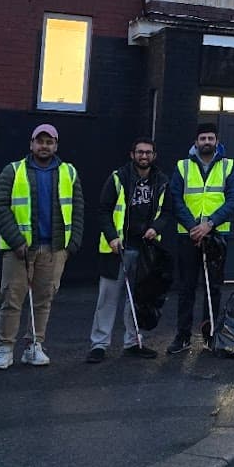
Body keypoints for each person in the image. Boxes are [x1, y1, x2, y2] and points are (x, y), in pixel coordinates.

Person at [0, 124, 84, 370]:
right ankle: (5, 347)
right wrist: (16, 240)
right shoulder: (13, 170)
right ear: (31, 144)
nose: (44, 146)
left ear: (56, 145)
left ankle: (34, 345)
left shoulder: (69, 172)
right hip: (19, 248)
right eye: (39, 141)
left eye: (49, 142)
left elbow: (77, 209)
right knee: (12, 297)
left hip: (54, 248)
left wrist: (71, 244)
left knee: (44, 299)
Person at [87, 138, 172, 363]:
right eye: (140, 152)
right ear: (132, 154)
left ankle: (133, 342)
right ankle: (99, 345)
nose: (144, 156)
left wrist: (156, 228)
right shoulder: (118, 178)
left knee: (138, 298)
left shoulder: (162, 181)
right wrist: (112, 237)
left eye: (148, 153)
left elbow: (166, 213)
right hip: (118, 248)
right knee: (107, 298)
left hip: (146, 250)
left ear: (154, 156)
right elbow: (104, 210)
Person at [166, 123, 234, 355]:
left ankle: (210, 335)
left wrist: (209, 224)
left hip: (216, 235)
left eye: (210, 138)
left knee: (213, 288)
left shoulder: (228, 166)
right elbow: (175, 198)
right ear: (196, 142)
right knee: (186, 287)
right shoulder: (183, 166)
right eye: (202, 138)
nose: (206, 142)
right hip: (188, 235)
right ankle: (183, 336)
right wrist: (193, 227)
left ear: (216, 141)